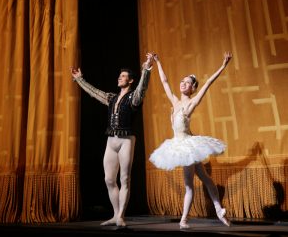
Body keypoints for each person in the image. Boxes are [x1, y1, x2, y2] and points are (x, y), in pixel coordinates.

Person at [149, 52, 232, 229]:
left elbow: (208, 84)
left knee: (189, 184)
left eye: (187, 82)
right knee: (205, 178)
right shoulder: (175, 102)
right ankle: (218, 211)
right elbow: (164, 82)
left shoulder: (190, 104)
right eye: (182, 81)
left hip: (187, 146)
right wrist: (158, 62)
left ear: (192, 88)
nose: (182, 84)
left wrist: (222, 67)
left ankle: (185, 220)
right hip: (179, 143)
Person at [71, 53, 153, 227]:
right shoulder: (112, 98)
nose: (119, 77)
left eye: (123, 76)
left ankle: (121, 215)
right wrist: (80, 80)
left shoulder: (133, 98)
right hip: (111, 141)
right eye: (120, 75)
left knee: (124, 179)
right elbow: (95, 93)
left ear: (130, 81)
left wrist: (146, 69)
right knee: (109, 179)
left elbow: (142, 89)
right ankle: (115, 215)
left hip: (126, 140)